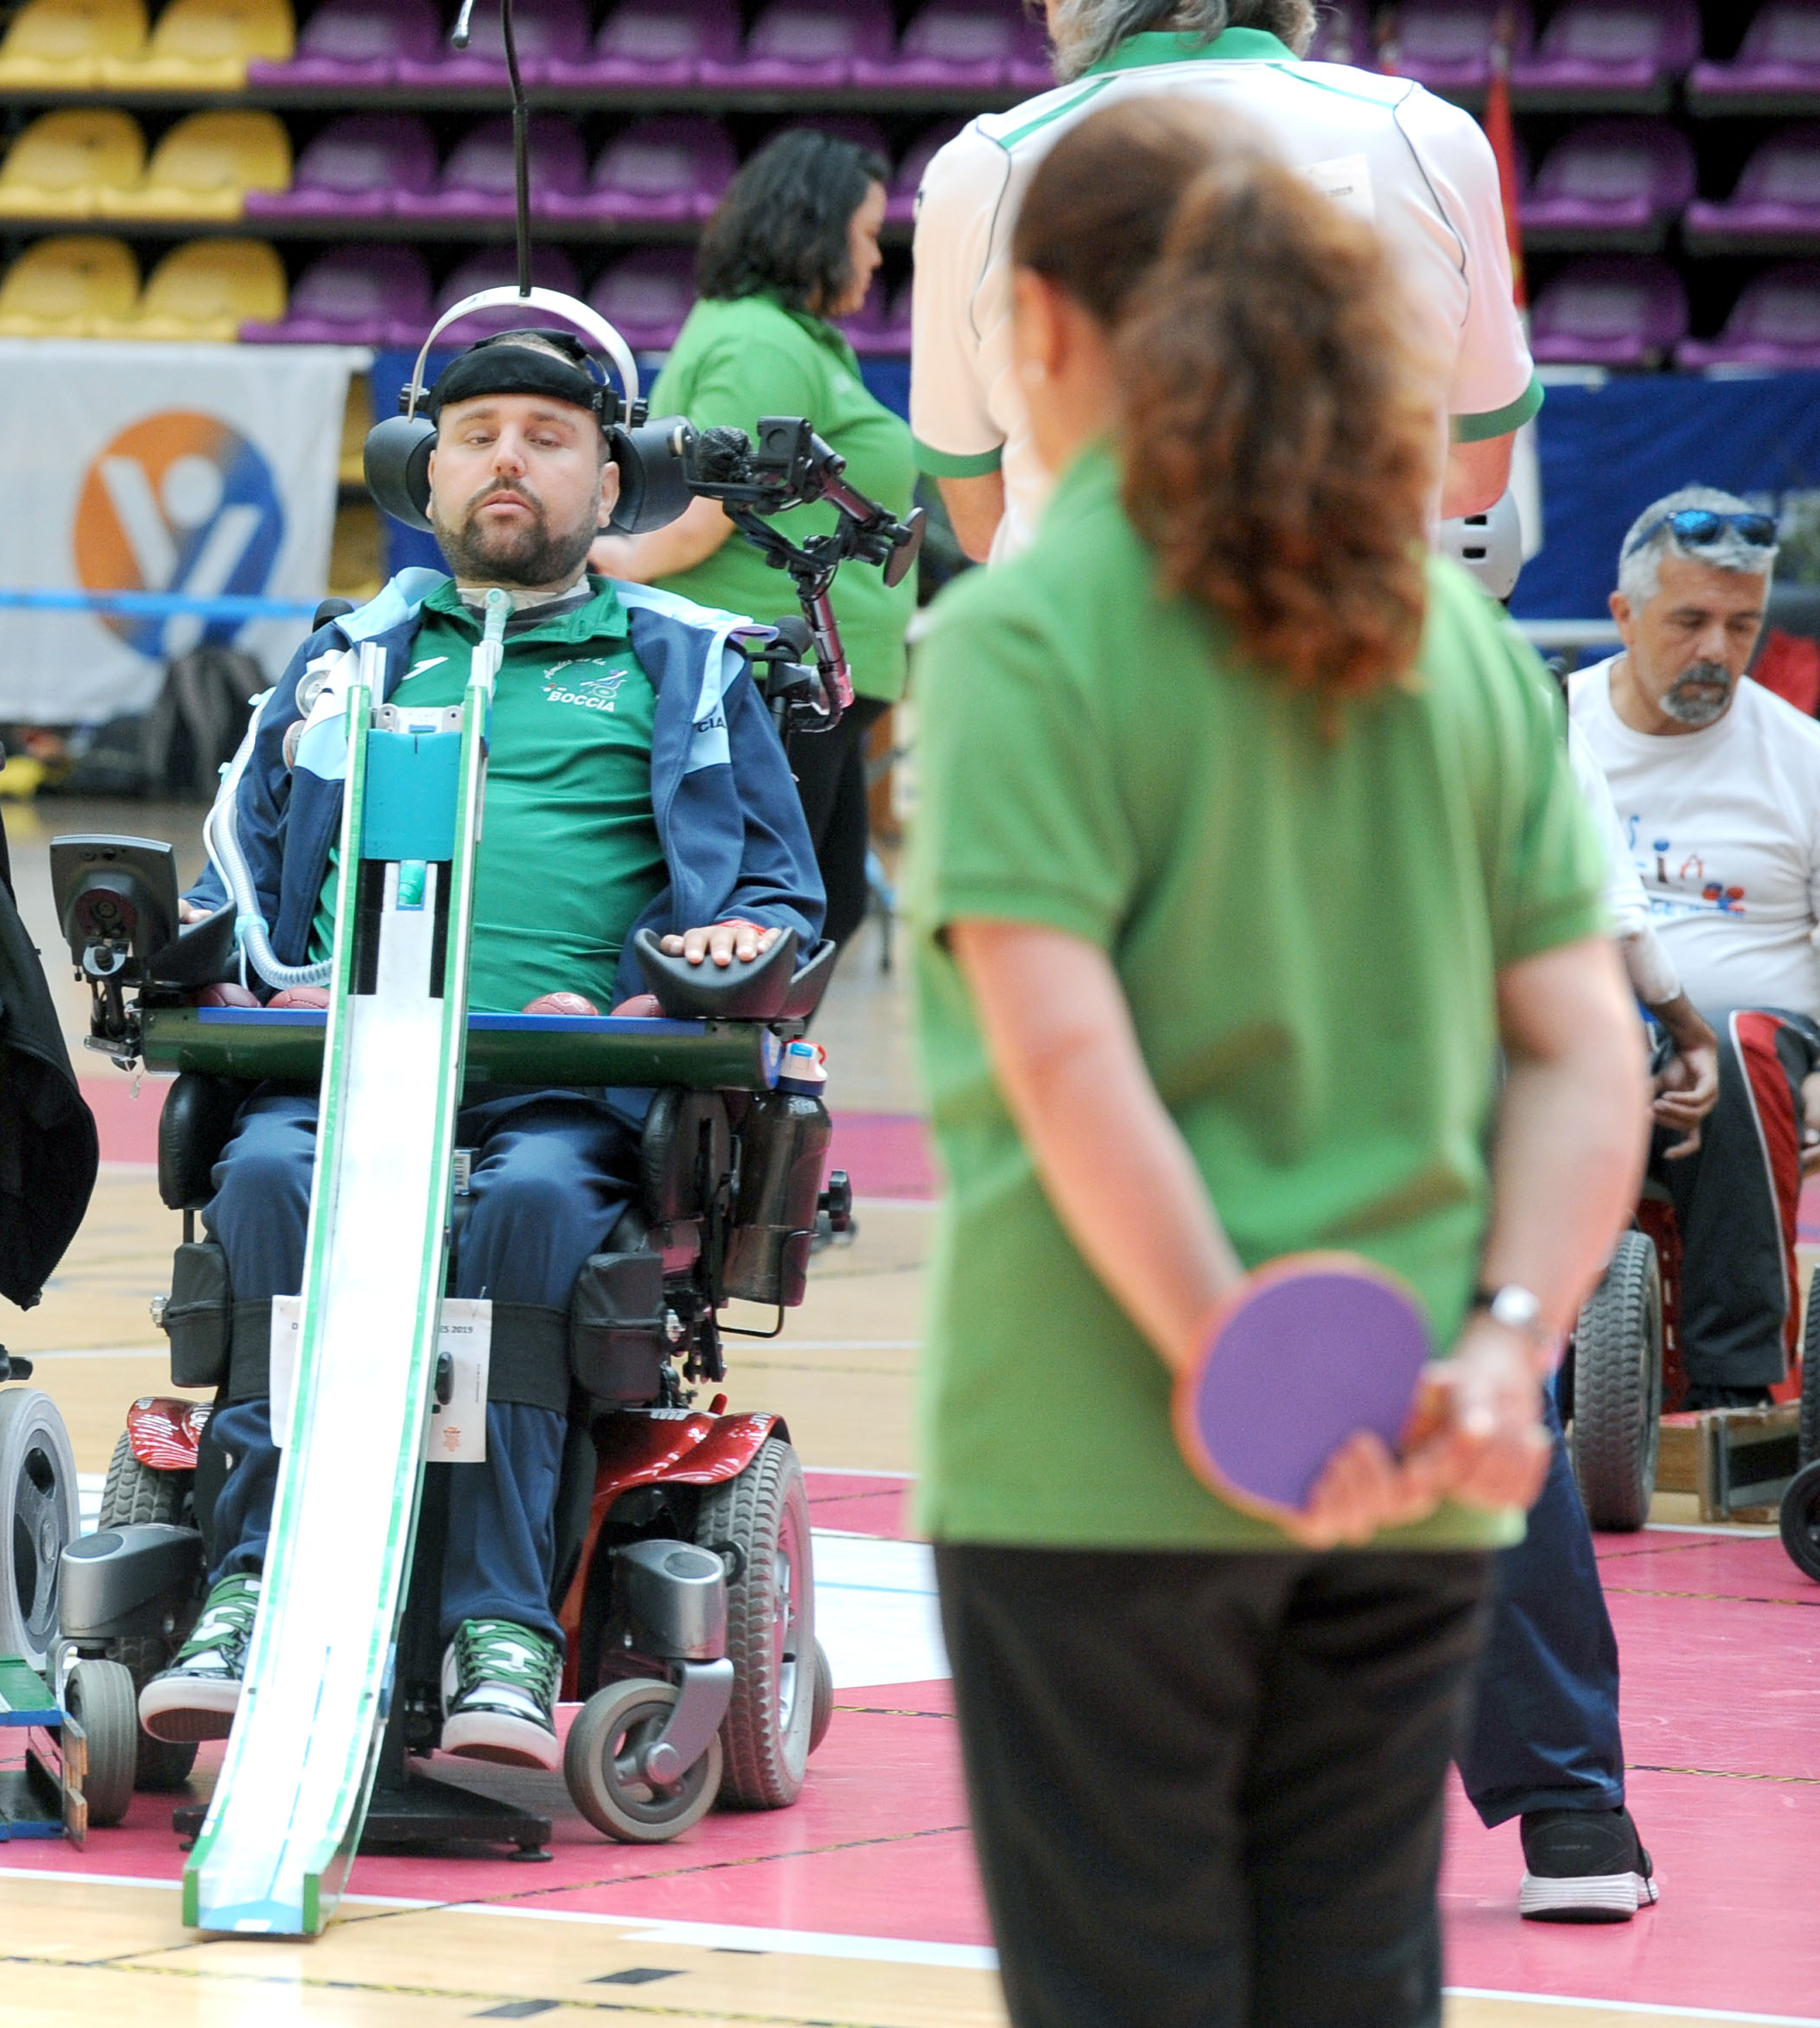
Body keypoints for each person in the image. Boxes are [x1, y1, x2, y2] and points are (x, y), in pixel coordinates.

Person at [907, 100, 1645, 2027]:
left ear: (1044, 330)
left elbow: (1074, 1064)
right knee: (1352, 1985)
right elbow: (1586, 1056)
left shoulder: (1023, 638)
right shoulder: (1463, 649)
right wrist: (1502, 1344)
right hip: (1421, 1445)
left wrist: (1237, 1366)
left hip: (1103, 1459)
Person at [144, 329, 825, 1768]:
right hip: (338, 1067)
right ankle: (249, 1584)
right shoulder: (342, 662)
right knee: (264, 1185)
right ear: (424, 467)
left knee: (522, 1212)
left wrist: (692, 980)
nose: (508, 457)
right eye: (478, 432)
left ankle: (500, 1629)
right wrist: (218, 966)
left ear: (611, 477)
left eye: (548, 434)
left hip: (576, 1092)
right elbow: (233, 884)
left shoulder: (683, 667)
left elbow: (776, 903)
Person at [1447, 626, 1719, 1925]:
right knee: (1496, 1420)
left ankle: (1567, 1806)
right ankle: (1569, 1812)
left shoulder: (1080, 623)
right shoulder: (1484, 661)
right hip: (1420, 1081)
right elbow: (1587, 926)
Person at [908, 0, 1536, 563]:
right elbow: (1473, 475)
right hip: (1350, 651)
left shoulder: (982, 167)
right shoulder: (1423, 132)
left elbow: (981, 520)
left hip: (1082, 666)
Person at [595, 126, 914, 954]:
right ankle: (727, 1083)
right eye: (869, 234)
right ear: (816, 226)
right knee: (762, 919)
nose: (877, 259)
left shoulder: (793, 338)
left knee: (826, 909)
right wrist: (617, 562)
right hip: (772, 678)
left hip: (814, 686)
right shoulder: (757, 340)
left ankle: (756, 1080)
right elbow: (711, 498)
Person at [1570, 490, 1817, 1413]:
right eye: (1690, 620)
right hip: (1578, 1023)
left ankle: (1736, 1382)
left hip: (1765, 1050)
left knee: (1734, 1037)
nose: (1717, 649)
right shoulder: (1549, 729)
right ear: (1624, 616)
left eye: (1742, 624)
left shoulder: (1804, 758)